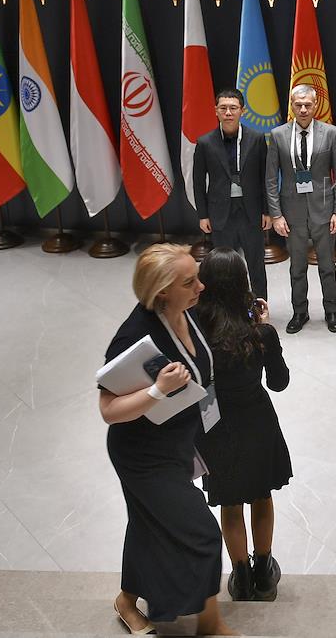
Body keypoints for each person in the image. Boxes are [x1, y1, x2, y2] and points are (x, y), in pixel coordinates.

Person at [98, 244, 234, 637]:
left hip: (177, 443)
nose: (200, 287)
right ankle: (210, 625)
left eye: (197, 277)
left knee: (147, 525)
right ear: (161, 292)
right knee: (203, 534)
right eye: (189, 282)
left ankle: (127, 601)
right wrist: (157, 390)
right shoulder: (134, 336)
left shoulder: (185, 312)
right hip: (142, 454)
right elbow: (109, 410)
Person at [193, 248, 293, 602]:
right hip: (257, 422)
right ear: (242, 284)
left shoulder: (196, 333)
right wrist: (264, 327)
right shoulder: (260, 334)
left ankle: (241, 578)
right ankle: (264, 573)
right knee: (262, 496)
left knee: (230, 504)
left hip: (215, 425)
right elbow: (279, 383)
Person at [266, 85, 336, 334]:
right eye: (298, 105)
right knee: (297, 267)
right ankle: (300, 311)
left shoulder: (331, 133)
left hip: (324, 210)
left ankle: (331, 310)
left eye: (307, 105)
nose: (302, 109)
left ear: (315, 105)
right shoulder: (278, 135)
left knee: (327, 265)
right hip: (291, 213)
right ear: (291, 105)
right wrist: (276, 215)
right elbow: (271, 179)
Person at [193, 89, 271, 300]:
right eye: (223, 108)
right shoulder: (205, 142)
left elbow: (265, 177)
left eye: (233, 108)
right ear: (216, 111)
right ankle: (228, 309)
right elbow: (198, 182)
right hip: (220, 213)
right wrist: (202, 215)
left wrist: (267, 211)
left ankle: (259, 308)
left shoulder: (256, 139)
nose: (228, 112)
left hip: (251, 211)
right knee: (224, 267)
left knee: (256, 265)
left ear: (242, 111)